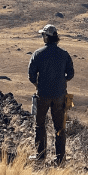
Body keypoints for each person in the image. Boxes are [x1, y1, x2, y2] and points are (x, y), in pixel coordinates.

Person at [28, 23, 74, 164]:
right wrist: (61, 82)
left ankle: (41, 156)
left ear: (47, 37)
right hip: (60, 95)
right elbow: (70, 74)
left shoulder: (38, 54)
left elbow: (31, 75)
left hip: (42, 95)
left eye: (43, 35)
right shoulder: (64, 54)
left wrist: (38, 85)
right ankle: (60, 158)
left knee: (40, 125)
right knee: (59, 127)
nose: (42, 37)